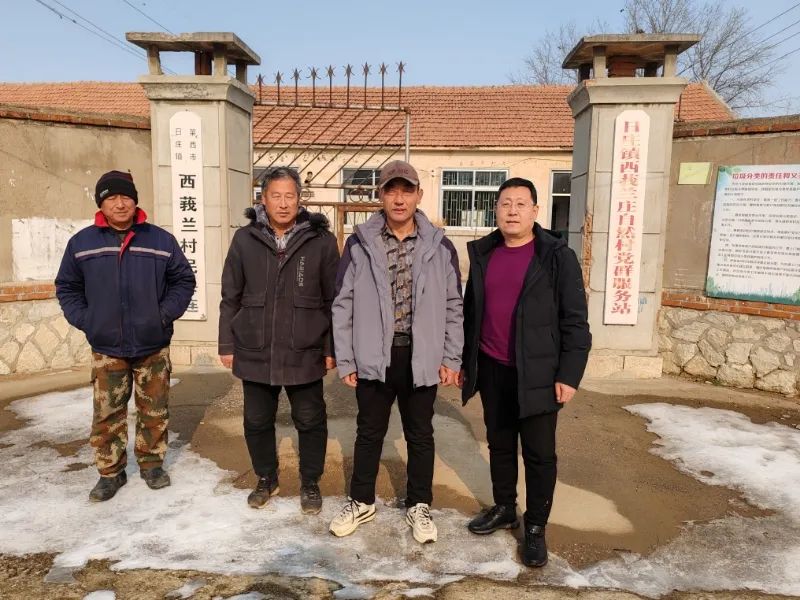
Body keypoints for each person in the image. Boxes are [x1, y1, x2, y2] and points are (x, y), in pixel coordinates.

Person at [458, 177, 591, 567]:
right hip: (492, 367)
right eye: (505, 204)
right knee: (499, 444)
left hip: (538, 373)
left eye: (520, 204)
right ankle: (504, 507)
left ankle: (534, 528)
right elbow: (471, 314)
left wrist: (569, 374)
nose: (512, 211)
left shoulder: (555, 256)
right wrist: (466, 362)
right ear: (496, 210)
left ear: (535, 210)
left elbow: (575, 321)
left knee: (539, 454)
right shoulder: (484, 253)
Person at [329, 160, 463, 544]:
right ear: (381, 196)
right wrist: (347, 358)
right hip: (374, 355)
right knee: (369, 432)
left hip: (421, 356)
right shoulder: (359, 244)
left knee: (420, 433)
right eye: (391, 190)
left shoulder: (440, 246)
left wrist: (450, 357)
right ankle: (361, 500)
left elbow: (454, 305)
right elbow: (342, 303)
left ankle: (419, 503)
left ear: (419, 195)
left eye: (407, 190)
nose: (399, 199)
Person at [55, 170, 196, 502]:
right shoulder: (82, 243)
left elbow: (183, 281)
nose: (120, 204)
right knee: (107, 414)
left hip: (152, 345)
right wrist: (88, 320)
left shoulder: (160, 240)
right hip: (107, 347)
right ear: (101, 204)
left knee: (154, 410)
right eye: (112, 198)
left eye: (126, 197)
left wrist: (162, 315)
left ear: (135, 201)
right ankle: (110, 472)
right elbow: (67, 287)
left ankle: (151, 465)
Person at [218, 167, 339, 515]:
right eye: (276, 196)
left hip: (305, 347)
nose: (283, 203)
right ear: (263, 199)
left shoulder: (320, 240)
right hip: (255, 346)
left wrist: (331, 348)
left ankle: (310, 481)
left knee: (311, 419)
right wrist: (227, 344)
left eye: (290, 196)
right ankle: (266, 477)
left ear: (299, 199)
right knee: (256, 420)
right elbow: (230, 295)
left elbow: (334, 299)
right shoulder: (245, 239)